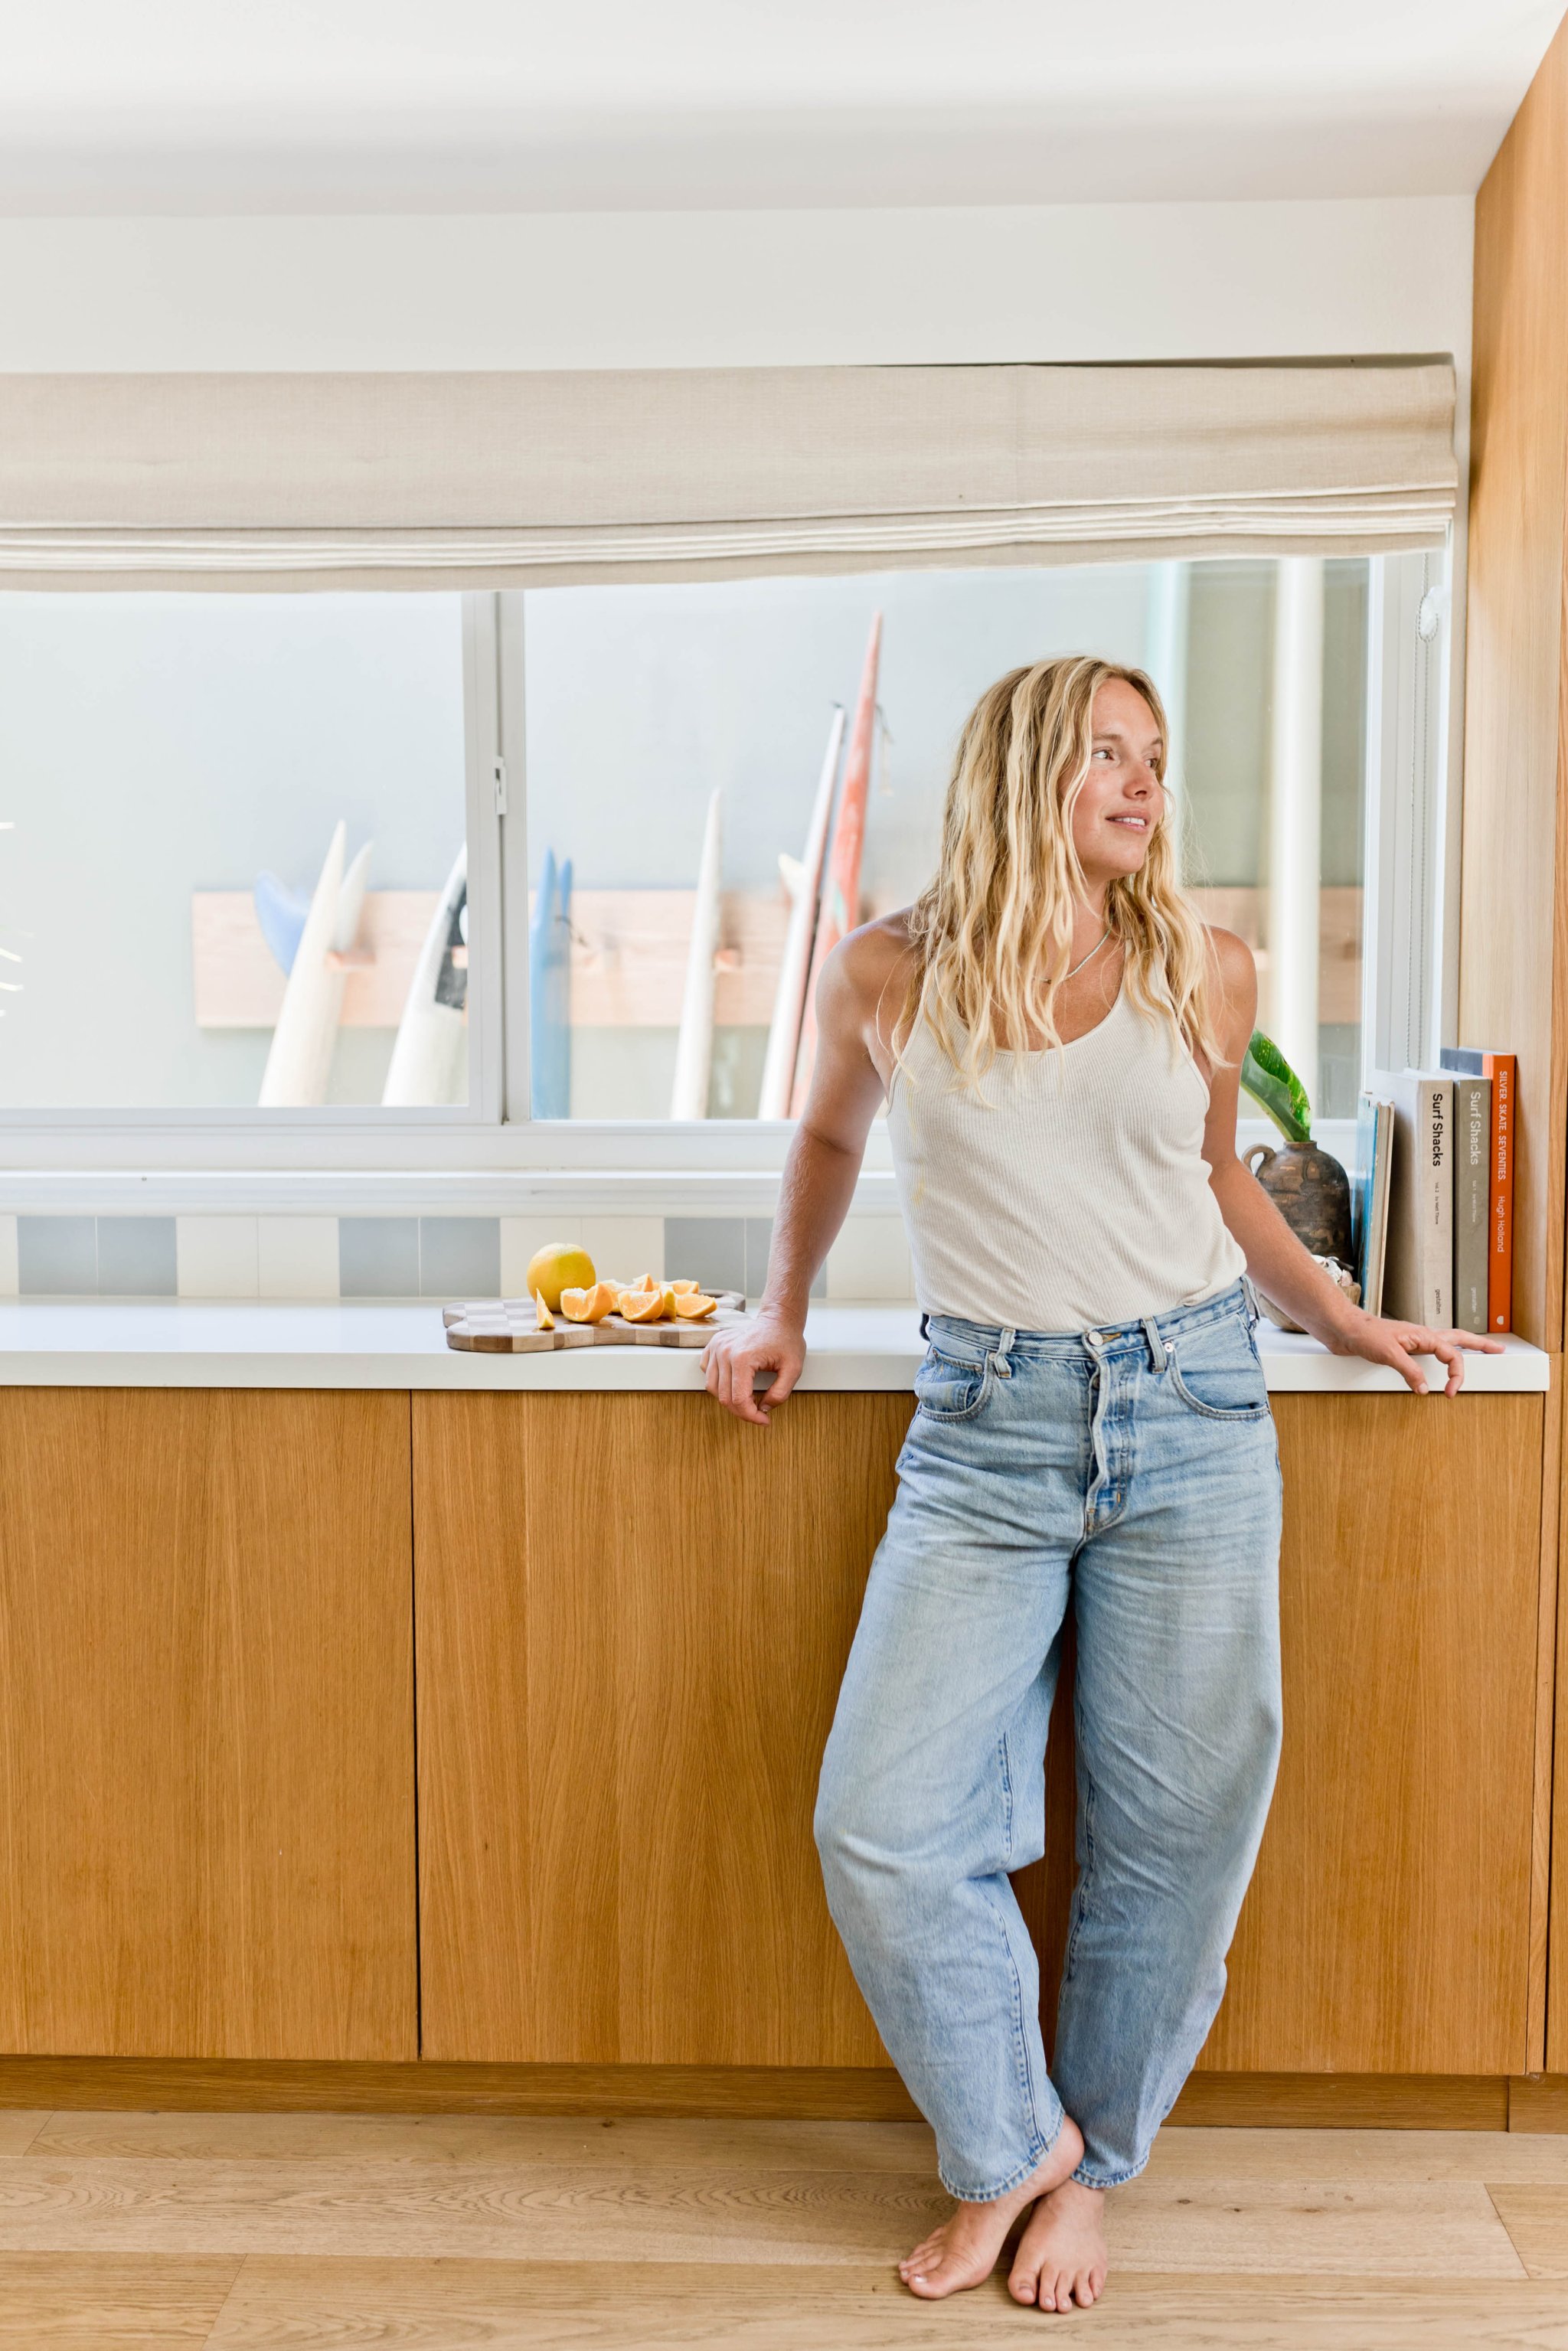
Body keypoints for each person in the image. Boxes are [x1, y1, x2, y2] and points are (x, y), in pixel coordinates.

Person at [702, 654, 1499, 2313]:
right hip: (984, 1433)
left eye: (1153, 758)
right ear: (1017, 775)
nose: (1144, 784)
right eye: (1105, 757)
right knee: (885, 1821)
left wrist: (1343, 1318)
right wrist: (778, 1299)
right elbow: (832, 1144)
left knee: (1177, 1830)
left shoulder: (1200, 970)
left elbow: (1217, 1179)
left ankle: (1097, 2167)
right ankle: (1013, 2149)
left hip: (1193, 1410)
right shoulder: (886, 974)